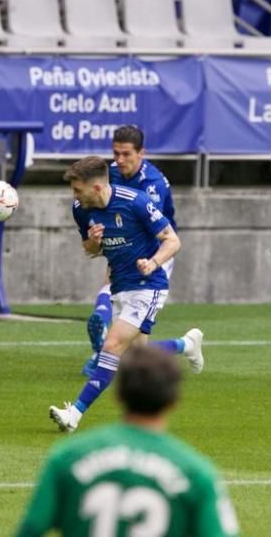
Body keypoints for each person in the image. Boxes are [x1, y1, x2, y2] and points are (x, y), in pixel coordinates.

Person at [50, 156, 203, 434]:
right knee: (136, 357)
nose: (74, 195)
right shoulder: (81, 209)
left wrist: (153, 263)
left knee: (111, 346)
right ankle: (186, 344)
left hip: (148, 286)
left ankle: (74, 413)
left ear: (96, 188)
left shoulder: (137, 202)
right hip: (120, 287)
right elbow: (90, 250)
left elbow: (173, 240)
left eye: (77, 189)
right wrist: (93, 243)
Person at [19, 346, 240, 536]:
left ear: (118, 395)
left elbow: (30, 529)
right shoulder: (197, 473)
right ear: (174, 401)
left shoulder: (67, 458)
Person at [82, 125, 178, 376]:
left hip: (155, 252)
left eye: (126, 154)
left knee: (135, 345)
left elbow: (155, 232)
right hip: (125, 245)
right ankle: (103, 345)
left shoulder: (152, 184)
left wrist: (148, 262)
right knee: (128, 343)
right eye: (115, 153)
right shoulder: (109, 174)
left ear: (141, 153)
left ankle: (184, 345)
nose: (119, 160)